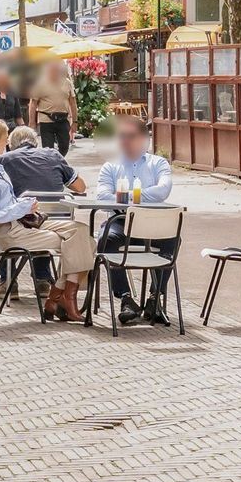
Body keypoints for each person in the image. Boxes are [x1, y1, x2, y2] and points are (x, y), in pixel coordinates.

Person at [0, 118, 93, 321]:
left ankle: (57, 296)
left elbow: (6, 203)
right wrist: (21, 207)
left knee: (81, 231)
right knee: (83, 243)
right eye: (4, 137)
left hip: (24, 222)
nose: (6, 142)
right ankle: (64, 298)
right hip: (10, 232)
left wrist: (22, 204)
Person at [95, 115, 177, 326]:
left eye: (130, 136)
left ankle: (155, 298)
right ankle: (125, 298)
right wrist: (139, 197)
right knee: (105, 239)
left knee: (173, 238)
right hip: (121, 222)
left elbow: (162, 191)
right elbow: (102, 197)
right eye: (121, 136)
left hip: (151, 224)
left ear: (144, 139)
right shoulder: (110, 166)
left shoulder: (158, 163)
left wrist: (125, 196)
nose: (125, 141)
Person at [29, 60, 77, 156]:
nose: (54, 72)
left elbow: (73, 103)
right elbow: (33, 103)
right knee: (48, 149)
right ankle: (51, 162)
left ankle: (57, 160)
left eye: (56, 69)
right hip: (46, 120)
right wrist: (32, 122)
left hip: (63, 119)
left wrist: (75, 122)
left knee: (64, 146)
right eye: (52, 69)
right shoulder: (40, 83)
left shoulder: (67, 82)